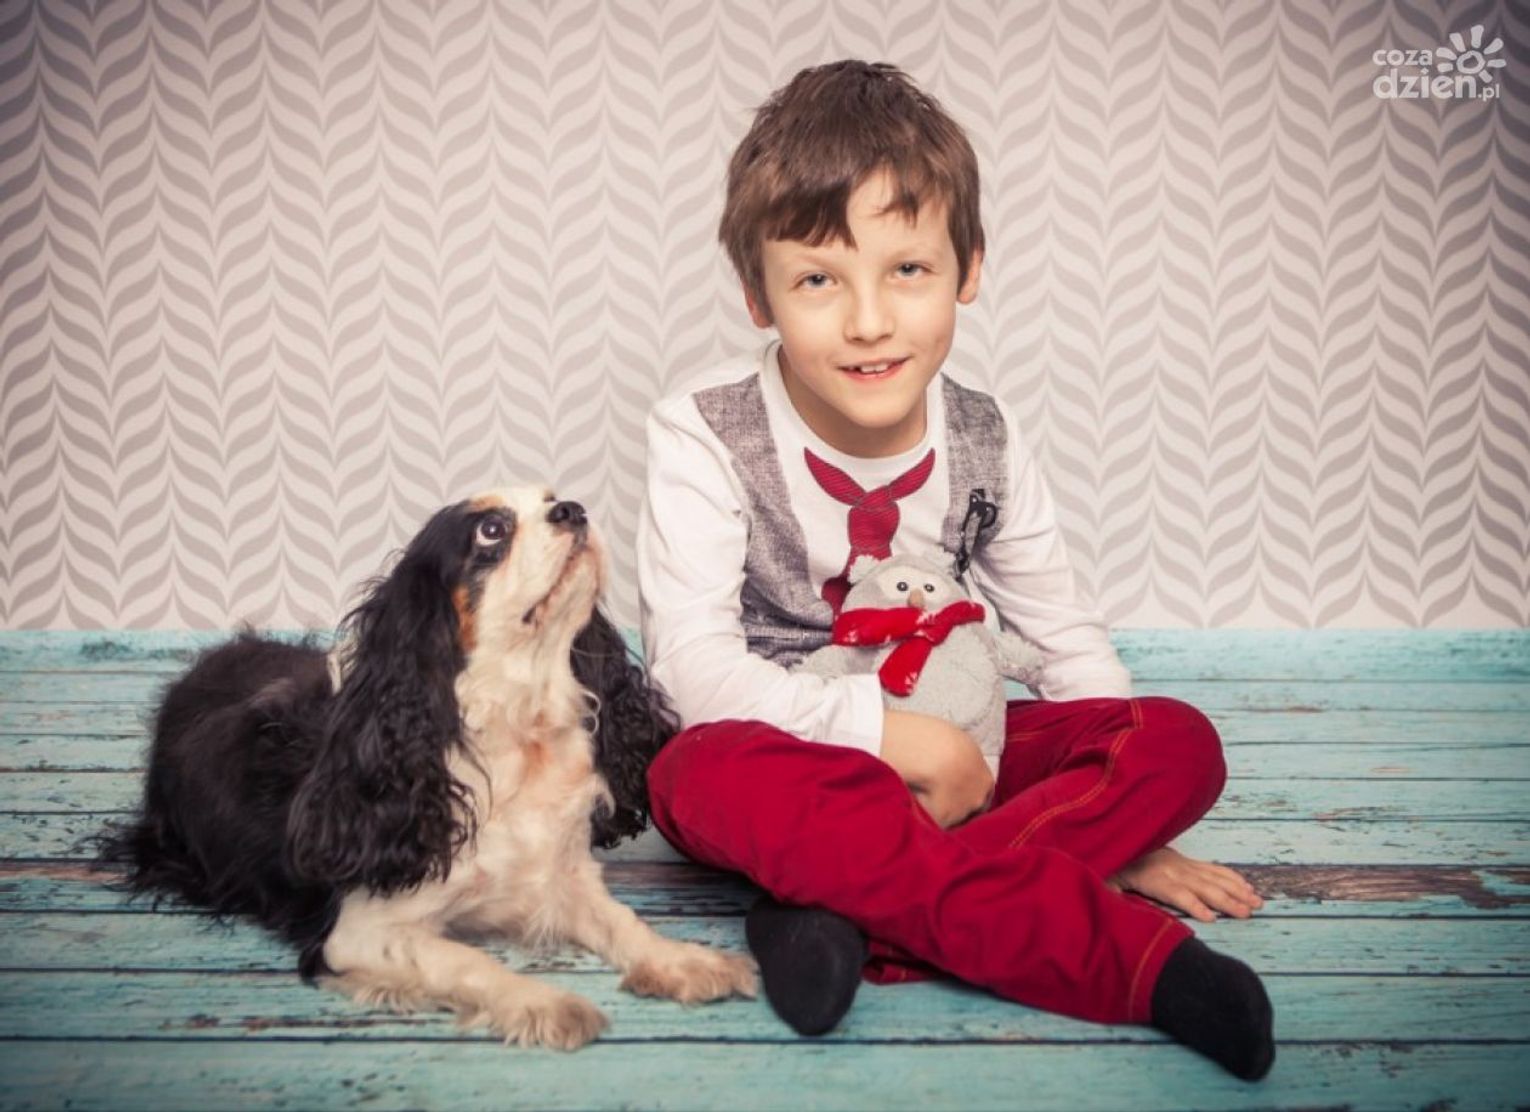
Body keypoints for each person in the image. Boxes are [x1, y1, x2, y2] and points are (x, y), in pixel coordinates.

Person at [635, 59, 1274, 1082]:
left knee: (1172, 741)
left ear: (968, 268)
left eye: (907, 269)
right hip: (783, 756)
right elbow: (693, 673)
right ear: (758, 294)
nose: (868, 320)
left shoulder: (987, 434)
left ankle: (837, 914)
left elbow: (1061, 636)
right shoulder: (704, 431)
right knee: (690, 770)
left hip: (961, 749)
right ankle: (1138, 966)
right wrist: (891, 736)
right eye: (817, 280)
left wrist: (1124, 820)